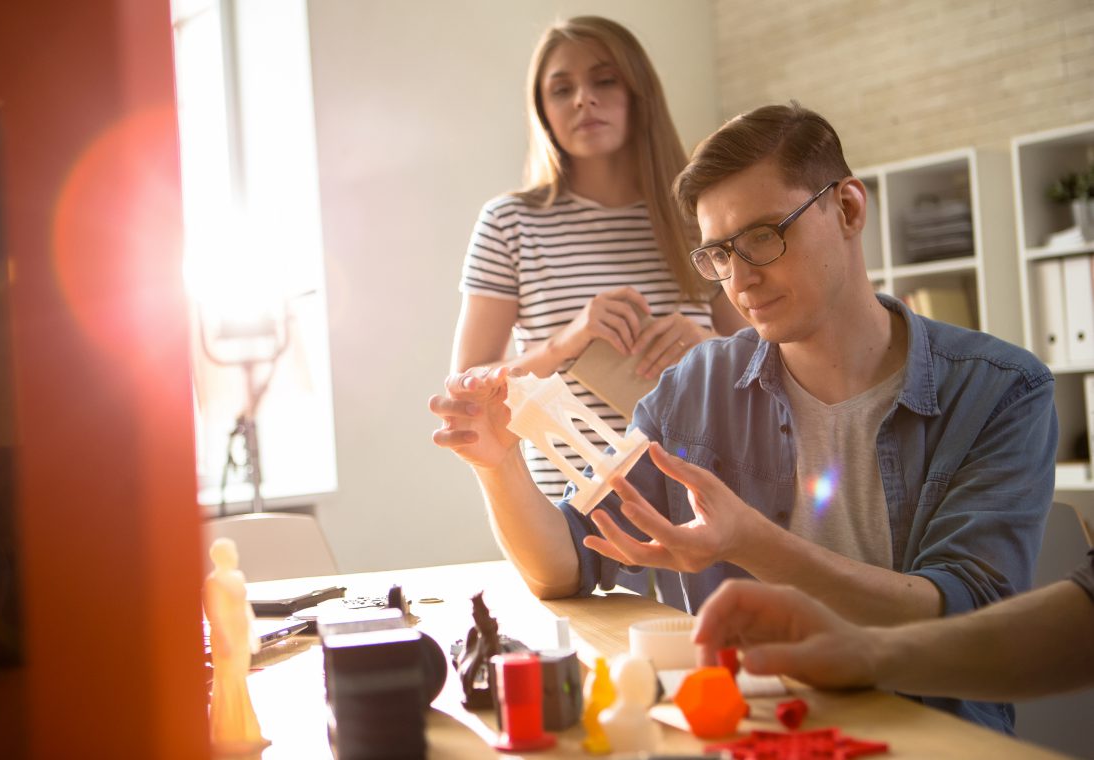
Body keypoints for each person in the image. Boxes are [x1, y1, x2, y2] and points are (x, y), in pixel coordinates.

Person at [430, 102, 1056, 732]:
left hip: (929, 736)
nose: (742, 279)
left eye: (763, 235)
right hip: (749, 731)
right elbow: (565, 562)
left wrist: (752, 543)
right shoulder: (698, 387)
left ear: (848, 209)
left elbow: (969, 618)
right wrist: (498, 464)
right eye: (720, 255)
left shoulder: (1000, 390)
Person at [452, 15, 745, 500]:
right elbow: (467, 390)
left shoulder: (698, 218)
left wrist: (708, 346)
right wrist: (564, 344)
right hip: (564, 513)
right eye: (561, 90)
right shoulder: (508, 223)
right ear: (542, 111)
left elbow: (775, 368)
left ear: (638, 93)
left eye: (604, 80)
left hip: (701, 501)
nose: (583, 98)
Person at [692, 549, 1094, 701]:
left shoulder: (1008, 385)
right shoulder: (692, 380)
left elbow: (969, 598)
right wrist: (866, 650)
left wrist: (749, 539)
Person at [203, 538, 269, 752]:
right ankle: (227, 735)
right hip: (226, 637)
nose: (235, 556)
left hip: (240, 635)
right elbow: (215, 616)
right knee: (228, 682)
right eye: (230, 553)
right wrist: (223, 641)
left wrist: (253, 634)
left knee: (239, 681)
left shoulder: (238, 577)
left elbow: (245, 608)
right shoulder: (213, 583)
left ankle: (248, 731)